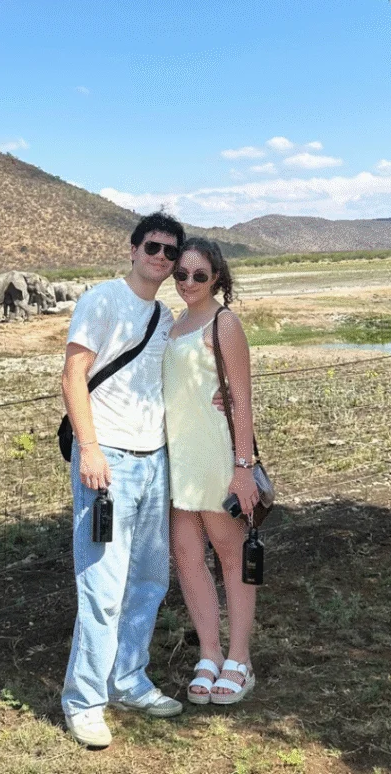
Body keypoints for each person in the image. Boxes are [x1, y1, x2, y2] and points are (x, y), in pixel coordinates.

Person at [60, 211, 186, 748]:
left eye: (170, 251)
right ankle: (85, 701)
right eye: (152, 246)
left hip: (154, 460)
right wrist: (89, 448)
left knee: (150, 580)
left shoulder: (164, 314)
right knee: (103, 587)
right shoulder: (102, 300)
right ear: (133, 250)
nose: (161, 257)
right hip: (107, 460)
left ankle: (128, 679)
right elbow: (73, 375)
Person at [163, 237, 259, 705]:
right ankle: (209, 652)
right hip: (177, 458)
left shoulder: (225, 324)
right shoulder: (174, 323)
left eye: (199, 275)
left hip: (215, 456)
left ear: (216, 277)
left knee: (230, 555)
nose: (188, 282)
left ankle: (240, 659)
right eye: (181, 273)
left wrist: (243, 469)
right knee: (186, 556)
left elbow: (241, 401)